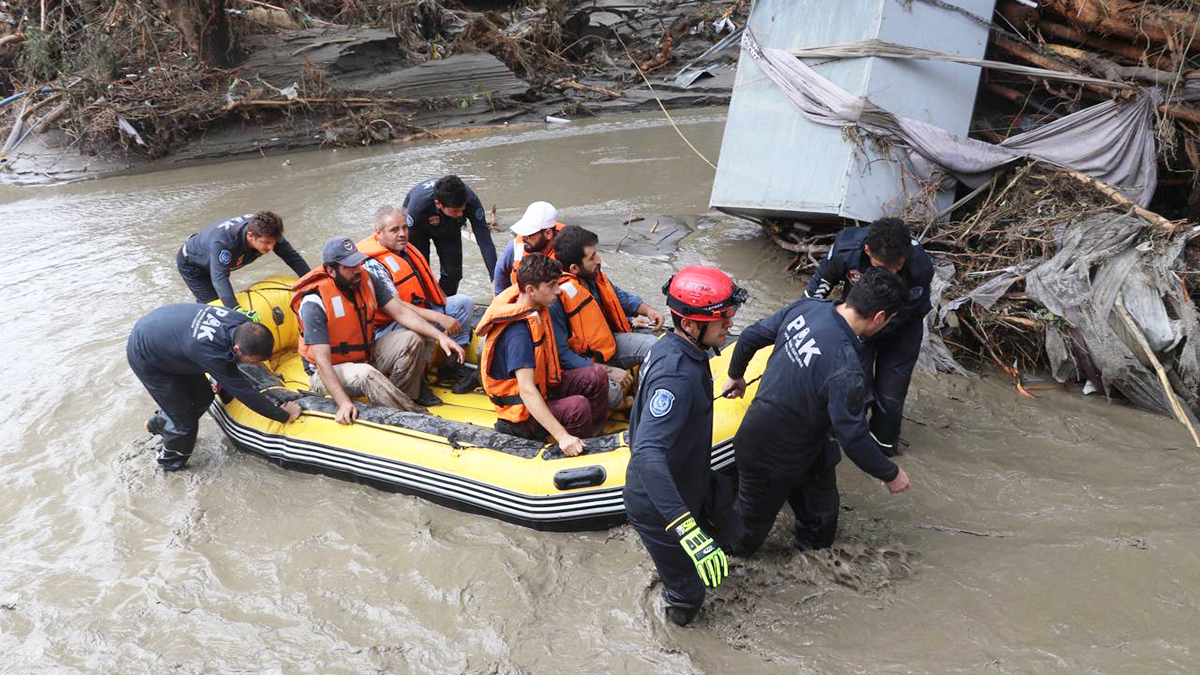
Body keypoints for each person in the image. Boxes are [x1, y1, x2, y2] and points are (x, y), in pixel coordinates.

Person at [723, 268, 912, 556]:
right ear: (879, 318)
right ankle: (716, 579)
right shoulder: (847, 369)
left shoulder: (809, 308)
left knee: (821, 517)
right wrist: (890, 473)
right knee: (745, 537)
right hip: (767, 452)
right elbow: (853, 437)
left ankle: (811, 561)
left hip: (807, 444)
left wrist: (736, 375)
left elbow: (751, 335)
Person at [623, 265, 748, 627]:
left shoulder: (681, 351)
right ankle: (675, 628)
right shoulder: (676, 376)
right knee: (689, 594)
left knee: (733, 532)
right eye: (722, 320)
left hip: (690, 475)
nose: (729, 326)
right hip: (659, 503)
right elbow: (648, 453)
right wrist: (685, 528)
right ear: (692, 325)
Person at [292, 237, 465, 423]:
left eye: (357, 263)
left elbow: (401, 312)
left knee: (412, 338)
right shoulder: (314, 302)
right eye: (349, 267)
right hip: (327, 372)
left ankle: (400, 398)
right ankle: (418, 418)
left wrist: (441, 336)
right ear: (331, 271)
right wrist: (343, 403)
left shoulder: (366, 279)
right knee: (366, 373)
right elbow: (322, 361)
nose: (357, 269)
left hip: (365, 356)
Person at [805, 217, 933, 455]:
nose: (891, 273)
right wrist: (809, 322)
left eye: (897, 267)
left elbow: (908, 312)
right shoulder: (847, 248)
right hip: (857, 326)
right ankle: (842, 439)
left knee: (891, 397)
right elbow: (821, 283)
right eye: (882, 267)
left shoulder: (920, 268)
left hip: (901, 329)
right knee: (852, 386)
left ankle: (881, 449)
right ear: (867, 250)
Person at [128, 303, 302, 471]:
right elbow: (244, 392)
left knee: (205, 396)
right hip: (147, 356)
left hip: (172, 340)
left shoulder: (240, 321)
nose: (257, 364)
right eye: (255, 361)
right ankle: (168, 463)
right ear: (237, 348)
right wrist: (283, 415)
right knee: (185, 424)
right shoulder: (210, 352)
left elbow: (232, 371)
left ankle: (158, 422)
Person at [477, 253, 609, 456]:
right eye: (551, 285)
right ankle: (575, 454)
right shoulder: (518, 333)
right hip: (521, 416)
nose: (558, 291)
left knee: (596, 376)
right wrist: (562, 435)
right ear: (530, 290)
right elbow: (527, 391)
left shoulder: (535, 310)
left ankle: (592, 437)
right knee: (577, 407)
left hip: (544, 388)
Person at [358, 205, 478, 394]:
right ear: (379, 233)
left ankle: (451, 364)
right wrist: (439, 318)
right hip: (388, 327)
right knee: (418, 327)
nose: (402, 234)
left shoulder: (407, 251)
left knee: (463, 304)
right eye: (394, 230)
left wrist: (441, 310)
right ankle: (417, 383)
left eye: (404, 228)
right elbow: (398, 307)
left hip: (416, 310)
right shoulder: (373, 265)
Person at [550, 224, 665, 410]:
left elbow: (618, 296)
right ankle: (627, 403)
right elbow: (562, 355)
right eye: (592, 257)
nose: (598, 260)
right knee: (614, 394)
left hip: (607, 345)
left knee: (656, 347)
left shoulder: (592, 274)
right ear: (574, 268)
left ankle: (645, 399)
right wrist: (609, 371)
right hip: (581, 364)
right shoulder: (555, 298)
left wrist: (649, 311)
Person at [177, 211, 311, 310]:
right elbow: (220, 279)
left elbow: (292, 258)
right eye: (267, 243)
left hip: (213, 258)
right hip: (193, 265)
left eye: (274, 242)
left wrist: (312, 282)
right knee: (215, 306)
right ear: (250, 235)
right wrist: (237, 310)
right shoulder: (225, 242)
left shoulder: (268, 231)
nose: (271, 247)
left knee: (214, 302)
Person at [403, 175, 497, 296]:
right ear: (438, 204)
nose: (460, 214)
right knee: (422, 273)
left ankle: (446, 302)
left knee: (454, 273)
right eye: (455, 210)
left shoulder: (470, 200)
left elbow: (485, 240)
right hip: (419, 228)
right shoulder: (417, 206)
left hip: (449, 225)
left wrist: (495, 277)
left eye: (462, 209)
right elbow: (408, 245)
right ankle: (426, 305)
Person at [491, 201, 564, 296]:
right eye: (523, 232)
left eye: (529, 234)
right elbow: (500, 273)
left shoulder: (566, 252)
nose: (524, 238)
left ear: (548, 234)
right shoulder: (515, 247)